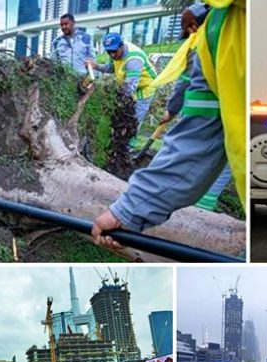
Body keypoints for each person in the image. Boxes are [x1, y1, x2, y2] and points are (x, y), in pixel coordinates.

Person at [92, 0, 245, 249]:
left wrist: (170, 110)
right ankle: (204, 213)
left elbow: (146, 88)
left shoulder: (137, 58)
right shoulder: (221, 30)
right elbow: (200, 134)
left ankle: (205, 213)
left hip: (141, 97)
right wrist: (130, 210)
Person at [153, 3, 232, 212]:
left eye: (188, 28)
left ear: (194, 25)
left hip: (215, 117)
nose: (188, 33)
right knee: (229, 160)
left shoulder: (201, 43)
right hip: (235, 116)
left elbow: (185, 82)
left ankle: (200, 212)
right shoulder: (229, 32)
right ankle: (204, 207)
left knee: (202, 156)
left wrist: (171, 110)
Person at [86, 32, 157, 126]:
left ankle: (130, 138)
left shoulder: (133, 59)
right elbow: (111, 68)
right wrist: (97, 66)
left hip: (144, 89)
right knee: (119, 121)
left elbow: (129, 88)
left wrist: (103, 89)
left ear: (122, 46)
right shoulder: (114, 52)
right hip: (127, 85)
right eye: (109, 52)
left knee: (133, 123)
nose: (112, 55)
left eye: (114, 51)